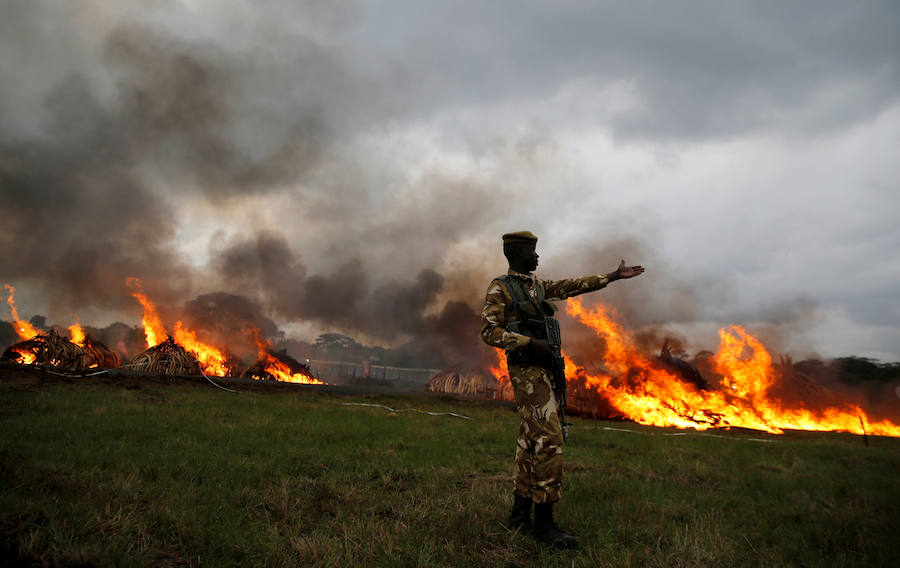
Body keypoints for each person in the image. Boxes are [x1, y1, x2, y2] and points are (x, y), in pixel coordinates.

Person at [480, 230, 645, 549]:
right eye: (532, 252)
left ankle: (519, 516)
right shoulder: (501, 287)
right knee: (550, 439)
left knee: (531, 440)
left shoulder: (538, 287)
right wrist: (529, 343)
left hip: (546, 370)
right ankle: (544, 522)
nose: (537, 257)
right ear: (516, 253)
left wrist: (611, 276)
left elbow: (570, 286)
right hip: (527, 370)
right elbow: (489, 331)